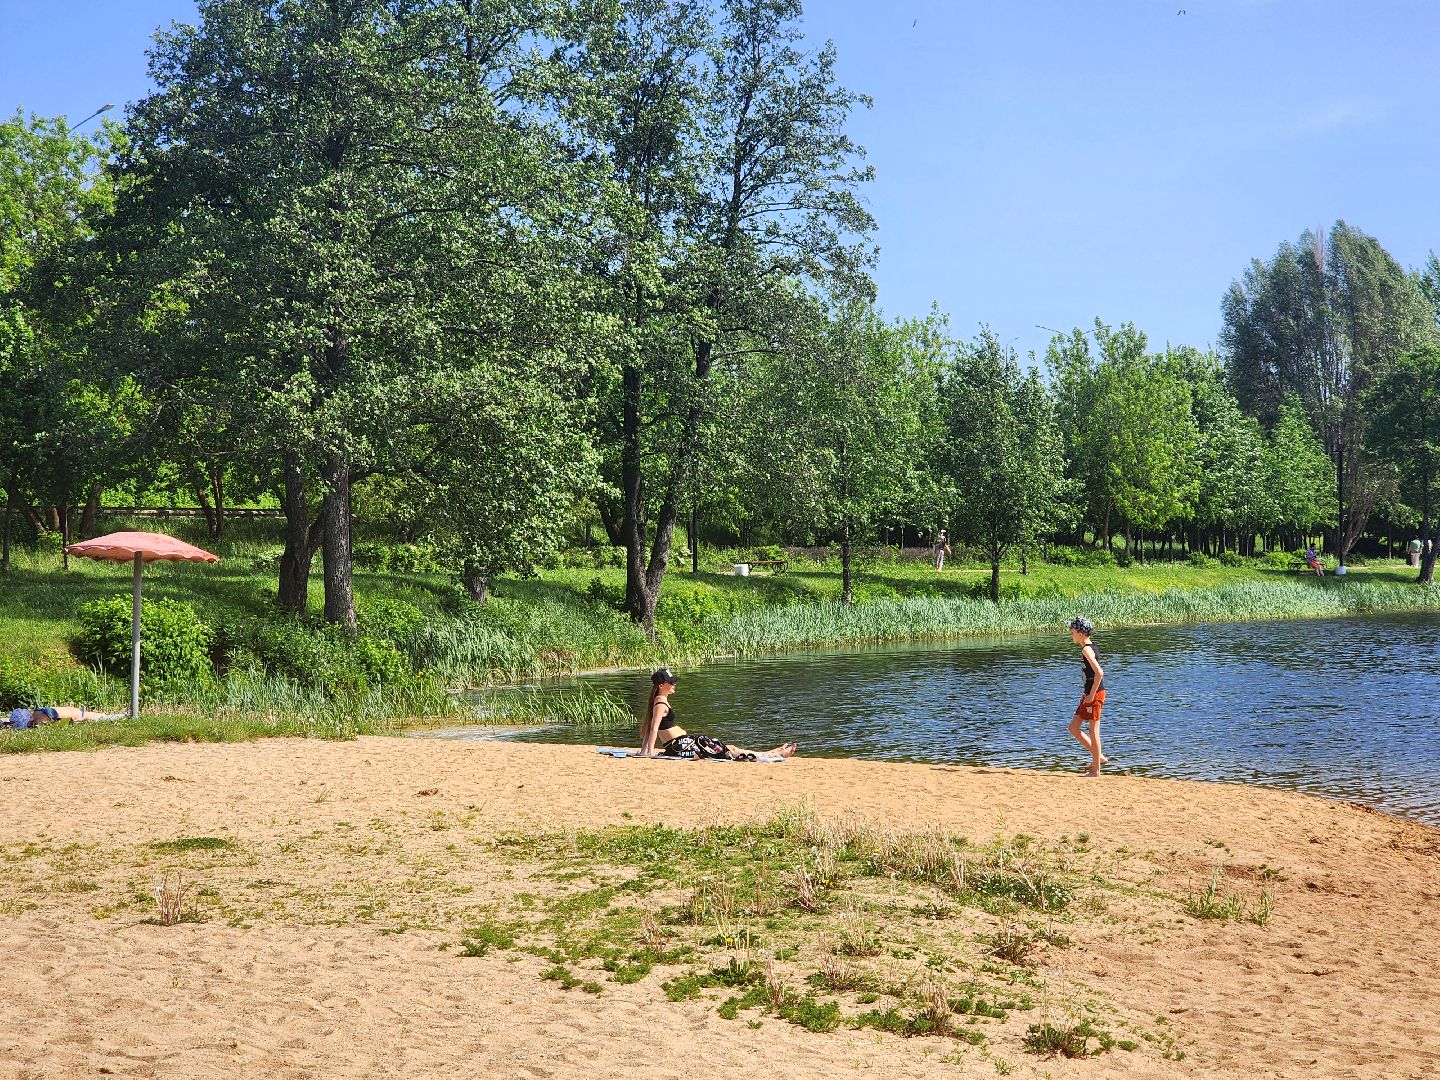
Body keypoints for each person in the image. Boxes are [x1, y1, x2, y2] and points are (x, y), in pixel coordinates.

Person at [638, 668, 797, 760]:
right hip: (679, 745)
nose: (674, 684)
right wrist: (649, 753)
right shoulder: (660, 702)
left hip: (683, 742)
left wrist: (644, 751)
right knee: (727, 751)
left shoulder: (659, 700)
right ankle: (772, 755)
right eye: (671, 682)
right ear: (661, 685)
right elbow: (653, 728)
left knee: (728, 748)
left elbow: (650, 727)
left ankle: (772, 753)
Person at [1066, 617, 1107, 777]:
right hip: (1089, 694)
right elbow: (1090, 675)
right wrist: (1086, 693)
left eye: (1073, 631)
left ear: (1081, 633)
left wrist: (1091, 695)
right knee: (1074, 728)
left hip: (1095, 695)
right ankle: (1099, 758)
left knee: (1093, 731)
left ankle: (1096, 770)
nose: (1071, 634)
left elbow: (1099, 673)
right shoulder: (1089, 647)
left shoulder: (1087, 650)